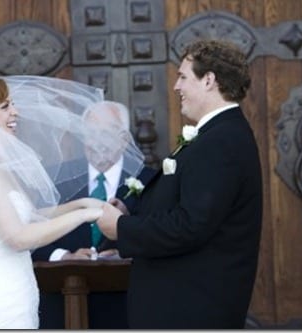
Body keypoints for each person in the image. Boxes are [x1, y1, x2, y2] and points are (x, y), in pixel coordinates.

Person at [0, 71, 145, 329]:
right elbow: (18, 237)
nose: (15, 112)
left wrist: (83, 203)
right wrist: (84, 215)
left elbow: (32, 216)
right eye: (5, 106)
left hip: (18, 294)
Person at [96, 39, 263, 329]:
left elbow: (191, 225)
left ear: (209, 80)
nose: (176, 87)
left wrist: (121, 228)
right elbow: (187, 204)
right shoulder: (215, 134)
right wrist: (129, 208)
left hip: (191, 308)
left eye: (184, 77)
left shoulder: (221, 141)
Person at [31, 101, 155, 329]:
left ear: (124, 139)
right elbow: (29, 233)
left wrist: (124, 250)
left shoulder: (150, 180)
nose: (97, 142)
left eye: (105, 134)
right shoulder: (57, 179)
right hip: (64, 308)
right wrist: (63, 256)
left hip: (126, 308)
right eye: (90, 134)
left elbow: (159, 236)